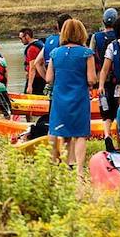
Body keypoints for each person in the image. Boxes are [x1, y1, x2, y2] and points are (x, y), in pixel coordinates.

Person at [46, 18, 96, 181]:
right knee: (80, 134)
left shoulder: (55, 53)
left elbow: (49, 79)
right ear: (82, 33)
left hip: (60, 97)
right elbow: (91, 79)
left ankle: (67, 165)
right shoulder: (86, 53)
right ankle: (79, 171)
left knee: (65, 134)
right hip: (79, 96)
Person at [34, 14, 73, 92]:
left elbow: (37, 63)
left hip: (53, 86)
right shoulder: (68, 42)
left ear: (58, 26)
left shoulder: (49, 41)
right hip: (68, 85)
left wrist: (48, 79)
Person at [89, 7, 119, 75]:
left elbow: (91, 54)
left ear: (103, 21)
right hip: (118, 72)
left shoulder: (96, 36)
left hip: (101, 73)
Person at [18, 28, 46, 95]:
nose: (20, 40)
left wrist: (30, 85)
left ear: (27, 36)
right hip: (42, 77)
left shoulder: (32, 49)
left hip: (36, 79)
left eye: (21, 38)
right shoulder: (40, 43)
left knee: (30, 97)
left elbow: (32, 68)